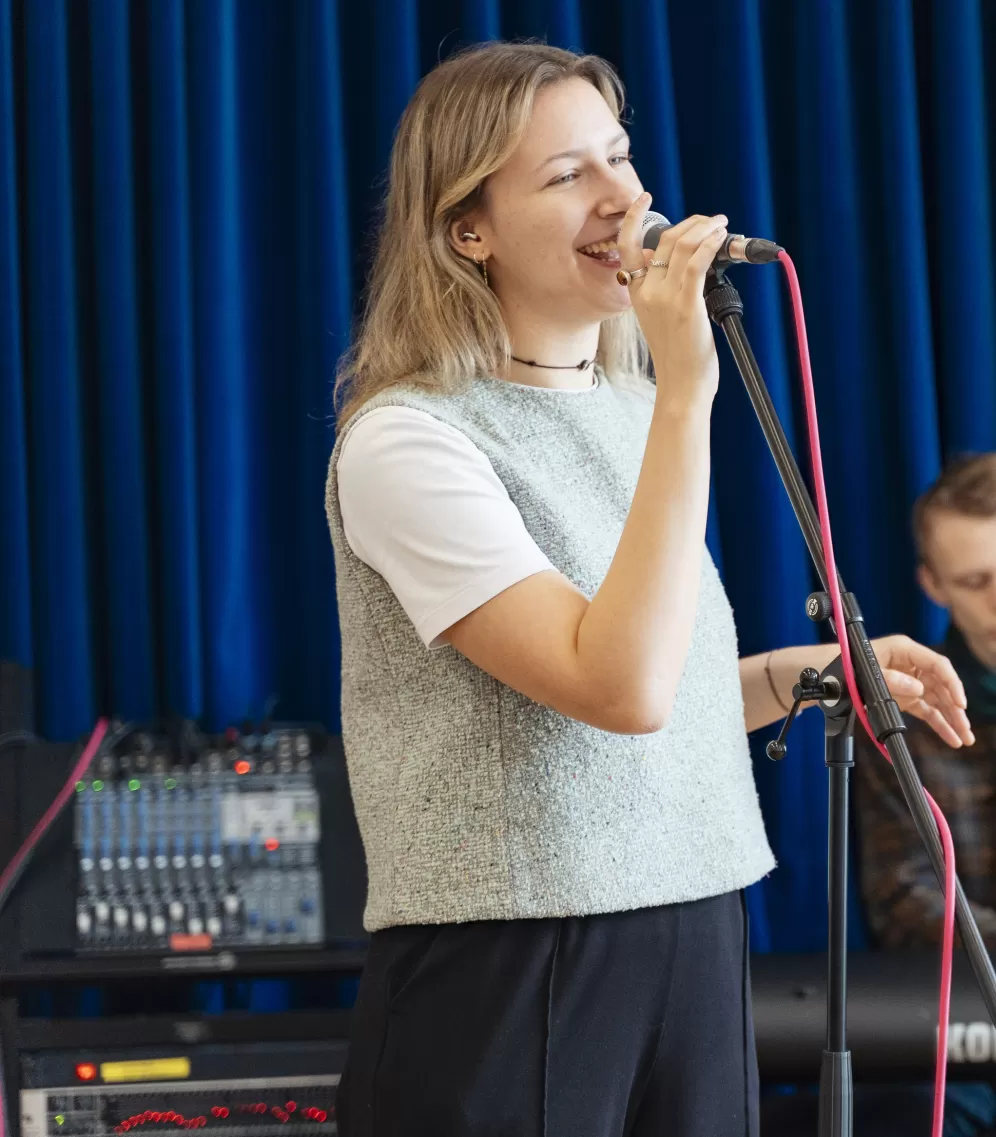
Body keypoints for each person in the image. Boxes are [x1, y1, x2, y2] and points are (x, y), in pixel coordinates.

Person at [324, 41, 972, 1137]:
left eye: (620, 158)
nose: (626, 199)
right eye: (567, 173)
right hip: (514, 953)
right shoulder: (408, 442)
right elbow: (616, 689)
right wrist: (687, 397)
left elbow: (648, 677)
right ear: (464, 229)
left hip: (696, 922)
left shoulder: (626, 406)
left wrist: (810, 674)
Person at [856, 454, 996, 1137]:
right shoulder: (898, 723)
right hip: (973, 1034)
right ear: (933, 585)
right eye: (977, 581)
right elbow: (906, 903)